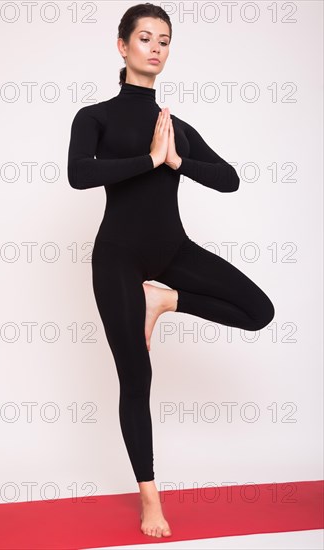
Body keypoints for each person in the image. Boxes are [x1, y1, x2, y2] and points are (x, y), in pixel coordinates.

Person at [67, 2, 275, 539]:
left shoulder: (175, 126)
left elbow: (229, 180)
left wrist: (178, 159)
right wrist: (150, 161)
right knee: (137, 378)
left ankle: (166, 300)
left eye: (164, 40)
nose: (155, 48)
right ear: (122, 47)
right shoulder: (95, 117)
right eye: (144, 38)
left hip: (172, 250)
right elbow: (78, 175)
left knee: (260, 311)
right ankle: (150, 498)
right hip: (117, 255)